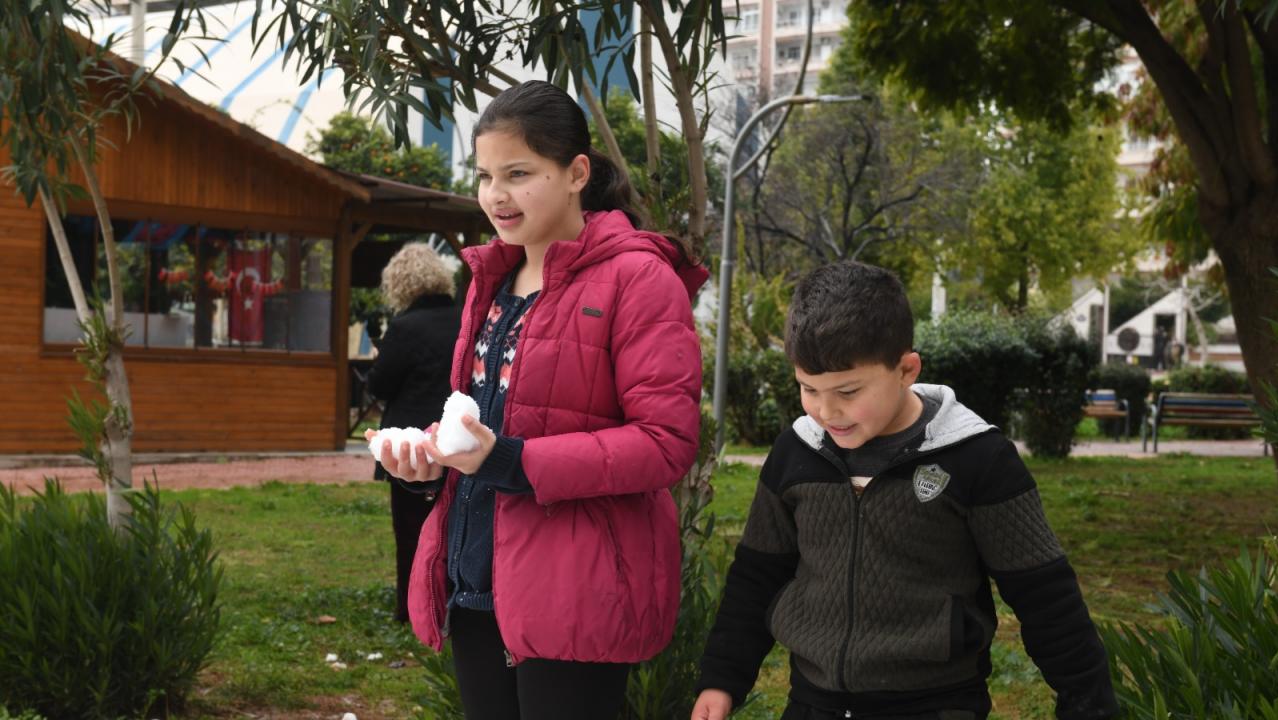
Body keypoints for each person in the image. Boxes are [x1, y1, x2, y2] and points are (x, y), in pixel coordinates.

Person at [369, 80, 706, 720]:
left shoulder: (638, 278)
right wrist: (429, 464)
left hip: (576, 586)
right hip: (476, 579)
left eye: (519, 173)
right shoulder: (491, 278)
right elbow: (481, 424)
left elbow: (666, 443)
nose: (497, 194)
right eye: (486, 175)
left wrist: (512, 461)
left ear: (576, 172)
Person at [691, 261, 1117, 720]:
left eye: (849, 391)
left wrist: (1086, 702)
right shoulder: (796, 452)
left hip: (936, 704)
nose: (826, 411)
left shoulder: (978, 458)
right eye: (808, 389)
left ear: (906, 369)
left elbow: (1043, 593)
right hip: (813, 703)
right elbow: (757, 578)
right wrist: (722, 678)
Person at [364, 242, 461, 623]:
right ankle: (453, 602)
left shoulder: (404, 327)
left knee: (411, 532)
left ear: (398, 284)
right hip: (456, 439)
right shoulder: (464, 317)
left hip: (410, 442)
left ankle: (411, 607)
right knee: (455, 527)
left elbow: (379, 385)